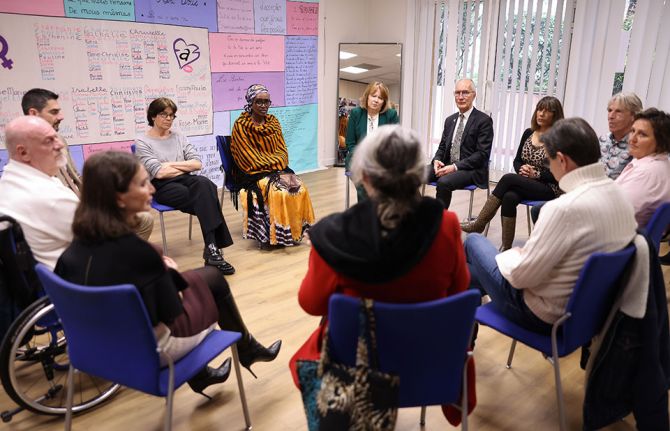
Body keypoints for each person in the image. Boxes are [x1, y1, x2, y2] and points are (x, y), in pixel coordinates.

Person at [54, 151, 282, 396]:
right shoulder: (141, 254)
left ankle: (219, 366)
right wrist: (169, 271)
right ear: (119, 198)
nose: (152, 190)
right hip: (149, 351)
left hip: (97, 348)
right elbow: (173, 311)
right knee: (212, 285)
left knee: (210, 276)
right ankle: (245, 349)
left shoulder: (74, 248)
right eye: (143, 184)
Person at [289, 125, 474, 425]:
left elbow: (310, 303)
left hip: (357, 369)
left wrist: (319, 253)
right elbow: (460, 293)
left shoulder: (334, 236)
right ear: (417, 174)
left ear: (364, 176)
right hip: (429, 362)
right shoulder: (447, 224)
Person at [465, 118, 637, 333]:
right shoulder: (621, 196)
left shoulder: (564, 209)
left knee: (473, 242)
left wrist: (513, 255)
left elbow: (520, 277)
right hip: (590, 314)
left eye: (548, 162)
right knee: (472, 272)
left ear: (562, 161)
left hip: (543, 315)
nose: (549, 167)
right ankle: (464, 337)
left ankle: (463, 341)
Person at [21, 88, 155, 241]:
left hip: (83, 204)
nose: (61, 116)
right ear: (33, 114)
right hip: (66, 214)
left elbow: (75, 176)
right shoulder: (26, 152)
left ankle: (119, 257)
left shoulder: (59, 139)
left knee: (143, 219)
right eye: (54, 112)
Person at [134, 97, 234, 274]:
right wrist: (179, 166)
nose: (168, 119)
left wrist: (168, 164)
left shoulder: (179, 136)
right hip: (161, 186)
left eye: (172, 115)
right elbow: (158, 173)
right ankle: (213, 251)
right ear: (152, 116)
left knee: (205, 184)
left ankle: (211, 249)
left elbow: (197, 164)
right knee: (207, 195)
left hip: (187, 180)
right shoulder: (142, 141)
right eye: (164, 114)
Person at [461, 96, 564, 251]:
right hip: (526, 183)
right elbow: (517, 161)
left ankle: (479, 223)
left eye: (546, 111)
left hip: (549, 188)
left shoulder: (559, 139)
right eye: (539, 109)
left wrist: (536, 174)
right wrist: (522, 169)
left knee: (507, 179)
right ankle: (506, 247)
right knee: (509, 197)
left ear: (555, 115)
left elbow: (559, 175)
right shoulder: (529, 133)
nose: (541, 114)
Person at [230, 84, 315, 247]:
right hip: (253, 173)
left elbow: (282, 152)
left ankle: (294, 230)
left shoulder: (273, 122)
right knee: (279, 192)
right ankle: (273, 234)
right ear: (250, 103)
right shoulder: (241, 125)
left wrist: (275, 166)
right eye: (259, 102)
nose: (263, 106)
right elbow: (248, 158)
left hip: (277, 170)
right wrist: (273, 165)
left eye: (266, 102)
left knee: (300, 188)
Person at [0, 116, 77, 269]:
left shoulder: (8, 179)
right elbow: (106, 239)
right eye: (49, 141)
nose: (60, 144)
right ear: (23, 153)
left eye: (56, 137)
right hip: (74, 281)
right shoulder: (53, 198)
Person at [428, 78, 494, 209]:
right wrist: (436, 160)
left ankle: (440, 224)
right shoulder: (449, 120)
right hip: (447, 164)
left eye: (465, 92)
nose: (461, 97)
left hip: (470, 170)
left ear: (474, 95)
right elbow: (442, 147)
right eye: (457, 93)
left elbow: (482, 155)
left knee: (443, 182)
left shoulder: (484, 121)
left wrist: (455, 167)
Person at [344, 81, 399, 202]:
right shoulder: (356, 113)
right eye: (373, 96)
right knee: (364, 182)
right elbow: (350, 143)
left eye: (380, 98)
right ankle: (367, 215)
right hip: (357, 159)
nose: (376, 100)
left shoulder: (391, 115)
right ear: (367, 96)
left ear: (384, 101)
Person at [615, 108, 670, 227]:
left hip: (615, 236)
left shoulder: (648, 172)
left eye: (642, 134)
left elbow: (615, 212)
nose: (632, 139)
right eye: (632, 131)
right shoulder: (656, 163)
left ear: (660, 142)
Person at [600, 92, 643, 180]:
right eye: (610, 110)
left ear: (634, 116)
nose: (611, 116)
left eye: (618, 111)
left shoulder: (638, 146)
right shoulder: (603, 139)